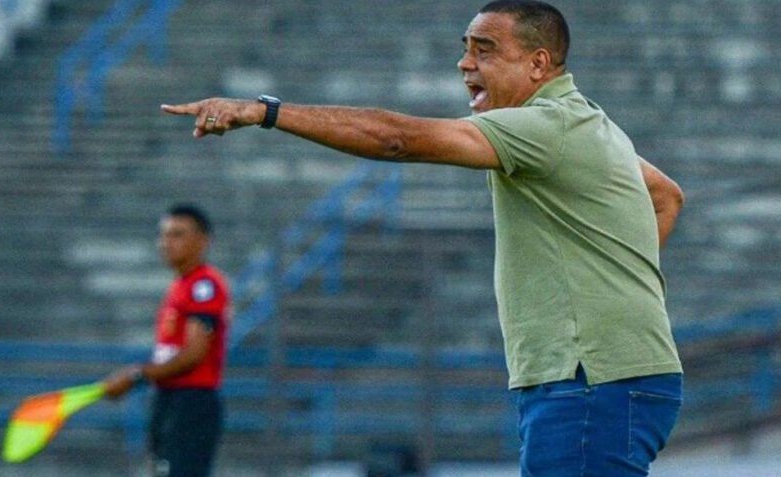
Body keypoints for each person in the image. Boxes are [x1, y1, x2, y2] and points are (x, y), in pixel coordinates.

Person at [162, 1, 684, 474]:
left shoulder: (545, 127)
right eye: (465, 48)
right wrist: (612, 293)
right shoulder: (588, 123)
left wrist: (265, 112)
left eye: (485, 49)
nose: (465, 63)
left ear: (538, 64)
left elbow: (397, 139)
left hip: (591, 379)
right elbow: (665, 196)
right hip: (604, 376)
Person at [104, 204, 230, 477]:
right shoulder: (180, 286)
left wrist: (137, 375)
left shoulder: (204, 285)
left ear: (203, 240)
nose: (166, 242)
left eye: (177, 235)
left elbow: (194, 353)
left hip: (191, 402)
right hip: (169, 399)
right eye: (164, 235)